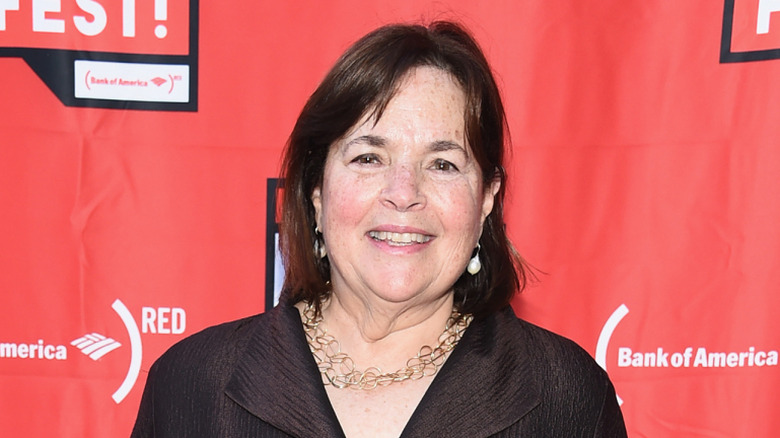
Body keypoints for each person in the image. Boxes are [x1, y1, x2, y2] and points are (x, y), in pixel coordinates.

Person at [131, 21, 627, 437]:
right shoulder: (192, 385)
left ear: (486, 201)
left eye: (443, 164)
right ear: (316, 192)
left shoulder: (567, 400)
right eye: (369, 157)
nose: (403, 192)